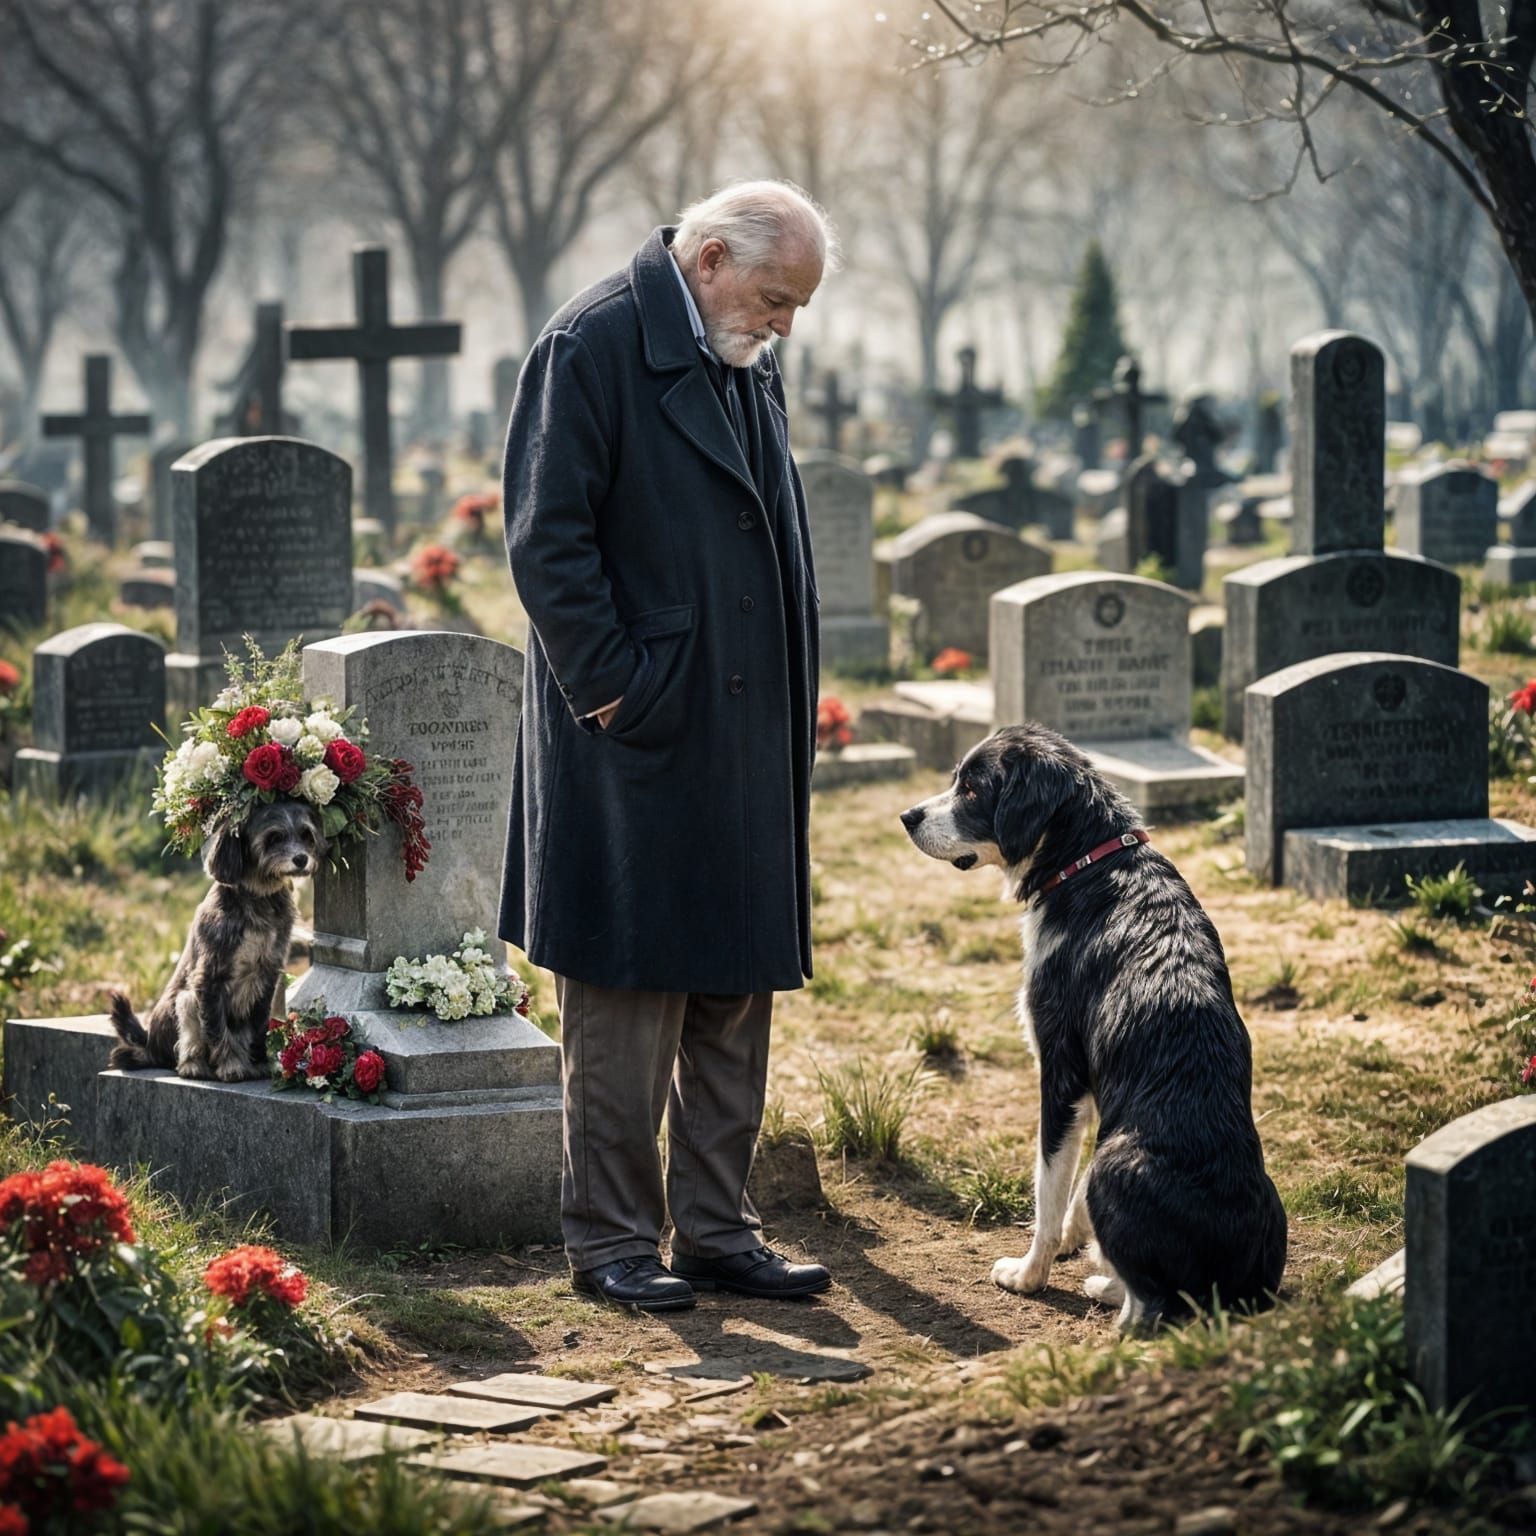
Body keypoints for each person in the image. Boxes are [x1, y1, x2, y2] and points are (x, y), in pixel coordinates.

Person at [500, 181, 838, 1312]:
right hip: (638, 733)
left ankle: (718, 1229)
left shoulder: (741, 348)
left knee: (733, 986)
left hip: (744, 721)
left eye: (796, 304)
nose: (786, 322)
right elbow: (548, 545)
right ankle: (609, 1240)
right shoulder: (589, 345)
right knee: (627, 996)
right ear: (706, 259)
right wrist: (619, 696)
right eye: (776, 294)